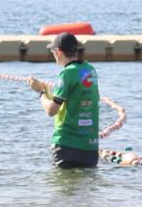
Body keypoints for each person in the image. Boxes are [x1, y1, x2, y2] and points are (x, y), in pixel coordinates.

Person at [27, 33, 100, 169]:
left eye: (53, 51)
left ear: (59, 52)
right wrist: (49, 92)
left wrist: (40, 92)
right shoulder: (90, 70)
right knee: (86, 188)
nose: (53, 54)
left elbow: (51, 111)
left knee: (64, 188)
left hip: (67, 145)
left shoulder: (66, 73)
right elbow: (74, 99)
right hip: (90, 146)